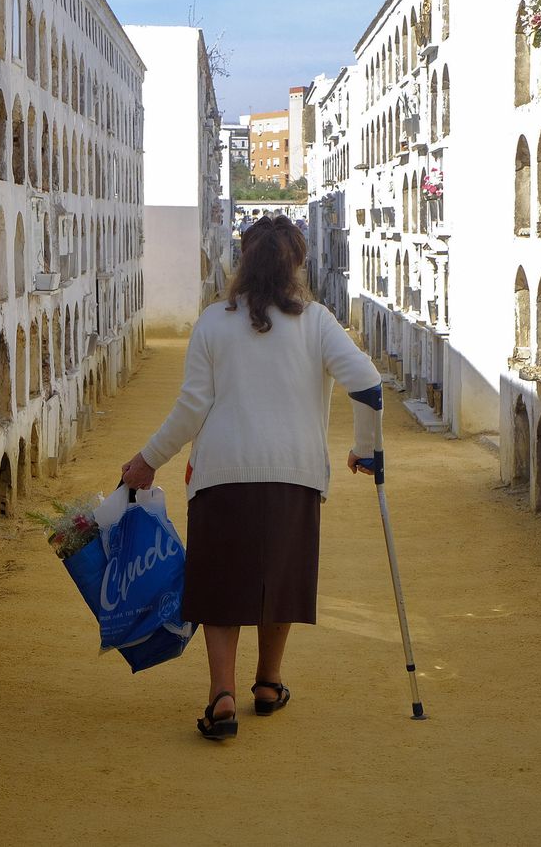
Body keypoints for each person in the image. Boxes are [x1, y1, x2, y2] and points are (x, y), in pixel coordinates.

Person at [120, 215, 383, 741]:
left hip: (222, 472)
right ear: (298, 264)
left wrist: (149, 459)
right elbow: (369, 384)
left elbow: (193, 406)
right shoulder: (317, 323)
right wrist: (366, 449)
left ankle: (222, 697)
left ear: (243, 262)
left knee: (221, 586)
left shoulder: (214, 322)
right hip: (294, 473)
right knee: (278, 579)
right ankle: (268, 683)